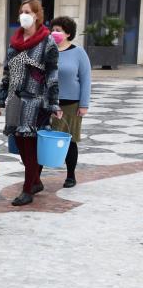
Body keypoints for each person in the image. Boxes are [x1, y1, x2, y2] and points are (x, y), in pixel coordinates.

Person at [0, 0, 62, 206]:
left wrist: (54, 103)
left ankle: (27, 189)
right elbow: (7, 73)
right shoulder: (14, 42)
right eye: (21, 11)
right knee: (21, 146)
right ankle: (36, 181)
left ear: (37, 16)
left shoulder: (47, 42)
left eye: (28, 12)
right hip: (16, 100)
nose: (23, 15)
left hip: (35, 101)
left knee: (31, 146)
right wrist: (0, 98)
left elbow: (52, 74)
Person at [49, 16, 91, 188]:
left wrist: (84, 104)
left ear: (67, 33)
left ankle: (71, 175)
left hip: (72, 105)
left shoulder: (78, 52)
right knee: (45, 140)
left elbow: (86, 78)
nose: (54, 33)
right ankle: (36, 178)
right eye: (53, 29)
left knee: (70, 141)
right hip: (50, 104)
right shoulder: (48, 51)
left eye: (58, 30)